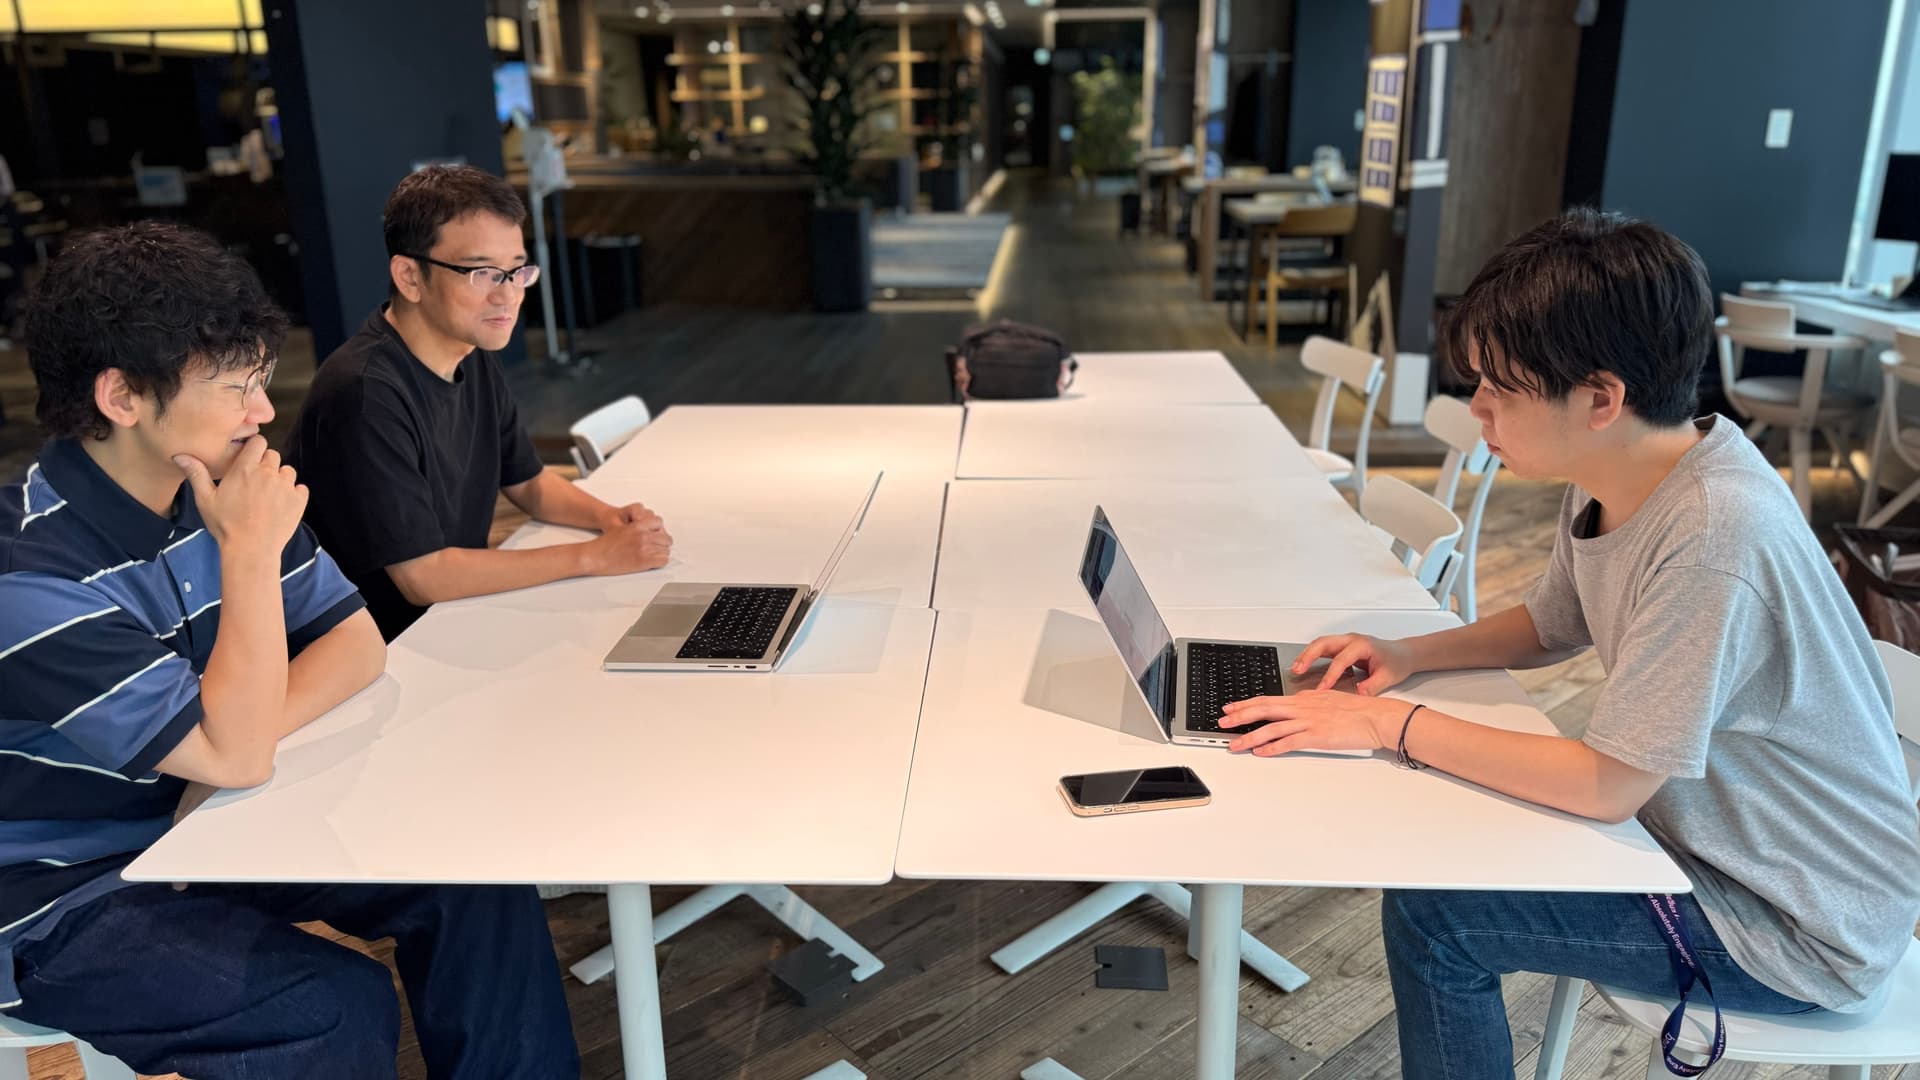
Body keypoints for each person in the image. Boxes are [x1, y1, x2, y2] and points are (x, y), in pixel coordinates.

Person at [1217, 208, 1920, 1076]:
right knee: (1440, 834)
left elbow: (1607, 784)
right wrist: (1411, 656)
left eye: (1499, 390)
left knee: (1440, 917)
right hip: (1712, 849)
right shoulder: (1621, 471)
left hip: (1793, 924)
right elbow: (1555, 624)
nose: (1477, 408)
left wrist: (1385, 726)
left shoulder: (1713, 535)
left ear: (1599, 398)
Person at [0, 223, 579, 1078]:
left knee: (472, 877)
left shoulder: (216, 486)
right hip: (60, 896)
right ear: (123, 397)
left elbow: (354, 642)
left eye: (262, 381)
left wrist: (229, 750)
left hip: (214, 824)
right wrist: (244, 573)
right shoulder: (29, 571)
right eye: (238, 387)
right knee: (327, 1006)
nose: (263, 412)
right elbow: (233, 748)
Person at [285, 164, 670, 641]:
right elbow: (423, 578)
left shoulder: (471, 350)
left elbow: (528, 483)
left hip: (456, 618)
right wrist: (595, 557)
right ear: (410, 276)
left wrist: (609, 519)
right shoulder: (364, 394)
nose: (506, 295)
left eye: (516, 272)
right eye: (482, 273)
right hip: (385, 651)